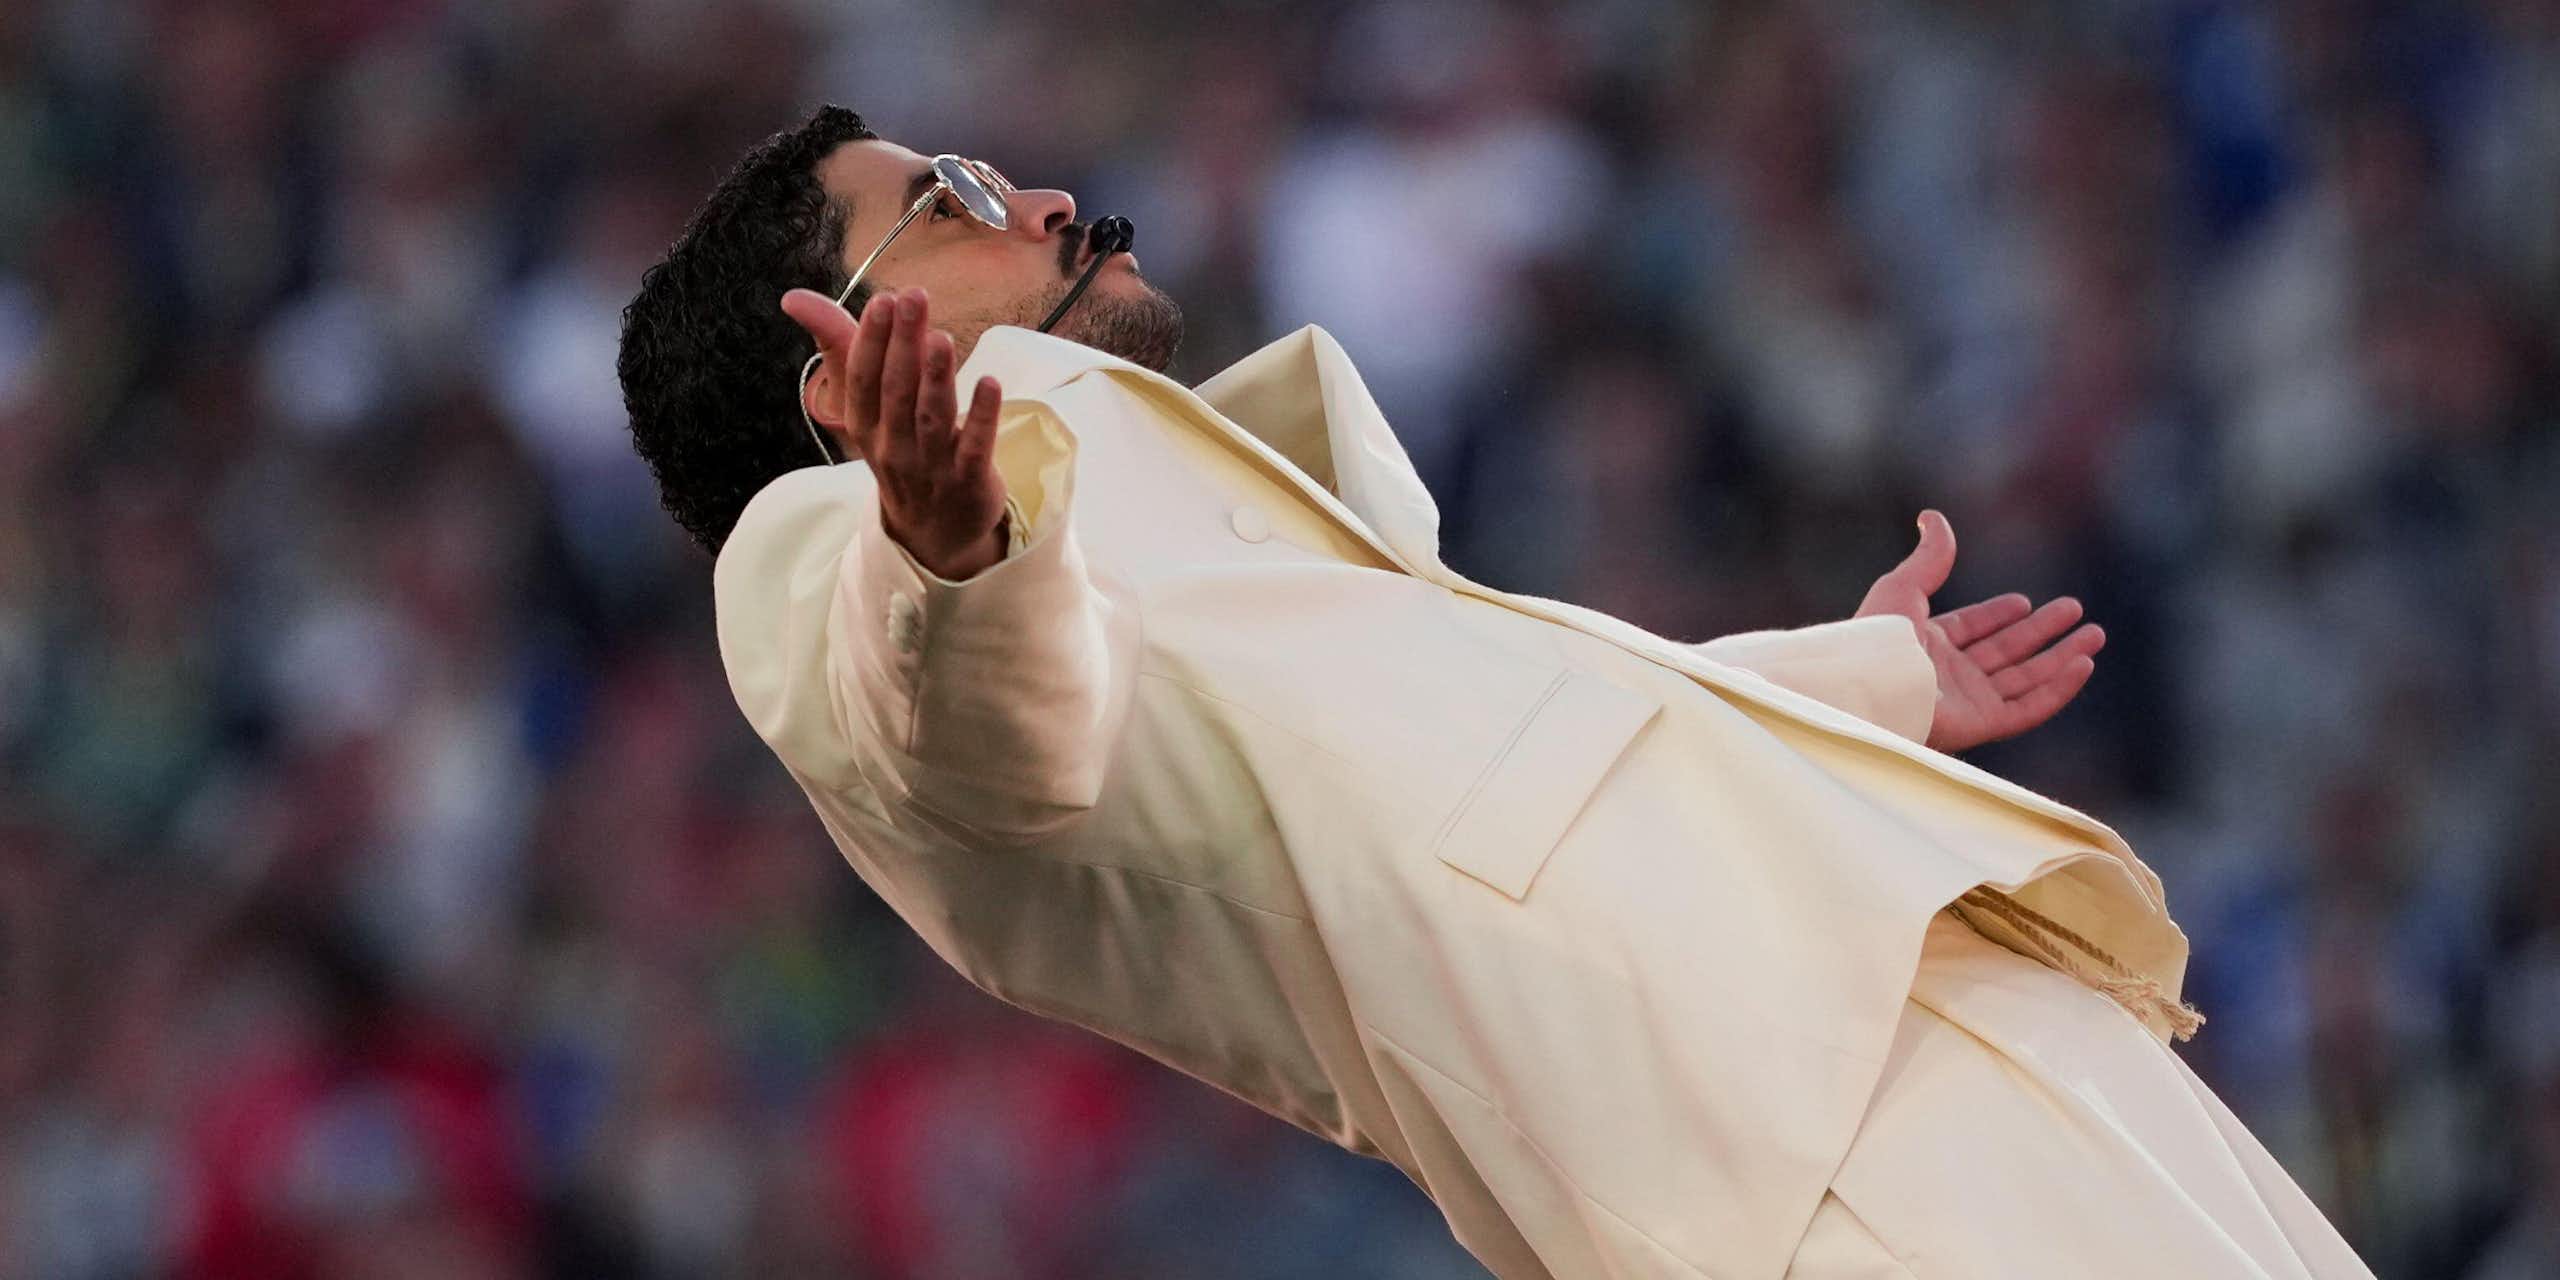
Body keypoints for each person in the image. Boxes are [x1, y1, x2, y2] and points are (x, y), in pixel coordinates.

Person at [617, 105, 2375, 1279]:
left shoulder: (1165, 505)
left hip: (1907, 1010)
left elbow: (1477, 743)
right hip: (1779, 1153)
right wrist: (944, 551)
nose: (1046, 200)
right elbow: (959, 718)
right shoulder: (831, 553)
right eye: (958, 200)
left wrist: (1852, 676)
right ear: (832, 377)